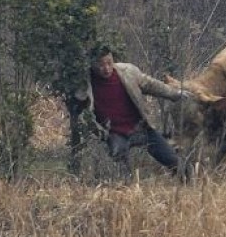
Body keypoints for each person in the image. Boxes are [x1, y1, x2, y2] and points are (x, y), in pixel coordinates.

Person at [73, 44, 188, 179]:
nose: (106, 68)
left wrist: (175, 94)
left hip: (140, 127)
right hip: (115, 133)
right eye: (101, 65)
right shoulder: (85, 83)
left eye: (109, 63)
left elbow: (152, 85)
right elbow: (78, 103)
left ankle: (189, 185)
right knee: (121, 172)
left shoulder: (128, 72)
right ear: (92, 65)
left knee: (174, 161)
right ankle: (126, 191)